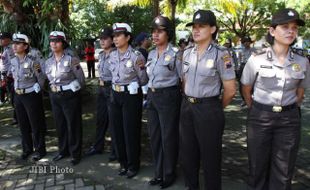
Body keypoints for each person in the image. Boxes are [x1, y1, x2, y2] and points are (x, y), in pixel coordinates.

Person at [241, 8, 310, 190]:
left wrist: (290, 109)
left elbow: (300, 91)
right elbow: (246, 88)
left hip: (289, 119)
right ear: (272, 31)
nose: (291, 31)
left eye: (294, 28)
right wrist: (256, 108)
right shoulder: (256, 59)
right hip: (260, 116)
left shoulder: (302, 61)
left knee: (284, 168)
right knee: (257, 166)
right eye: (285, 27)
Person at [180, 10, 236, 190]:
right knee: (188, 154)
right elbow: (185, 81)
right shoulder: (187, 53)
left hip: (209, 108)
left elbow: (230, 90)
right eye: (194, 27)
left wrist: (215, 108)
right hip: (188, 106)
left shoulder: (222, 54)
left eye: (201, 26)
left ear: (212, 29)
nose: (196, 30)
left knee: (211, 157)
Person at [146, 15, 182, 189]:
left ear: (168, 34)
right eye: (153, 31)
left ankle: (169, 173)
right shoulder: (151, 53)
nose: (155, 34)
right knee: (155, 137)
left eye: (159, 31)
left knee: (168, 137)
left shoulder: (176, 54)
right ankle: (158, 172)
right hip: (152, 97)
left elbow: (184, 79)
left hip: (169, 97)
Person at [109, 23, 148, 178]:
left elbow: (144, 79)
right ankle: (123, 163)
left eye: (119, 35)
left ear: (128, 37)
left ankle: (133, 165)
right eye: (114, 36)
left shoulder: (136, 56)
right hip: (115, 95)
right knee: (117, 131)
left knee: (130, 131)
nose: (115, 38)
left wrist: (135, 84)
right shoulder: (111, 55)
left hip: (131, 96)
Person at [45, 31, 85, 166]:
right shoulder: (48, 61)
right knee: (60, 125)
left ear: (63, 43)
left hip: (69, 96)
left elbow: (81, 79)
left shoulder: (71, 59)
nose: (53, 44)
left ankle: (76, 153)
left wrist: (74, 93)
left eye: (57, 41)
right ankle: (63, 151)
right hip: (54, 96)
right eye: (51, 41)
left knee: (73, 125)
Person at [9, 33, 47, 161]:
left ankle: (40, 150)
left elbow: (41, 76)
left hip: (31, 95)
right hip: (18, 95)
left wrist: (39, 88)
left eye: (18, 43)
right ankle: (27, 149)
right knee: (23, 124)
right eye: (14, 43)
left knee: (35, 124)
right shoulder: (13, 61)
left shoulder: (33, 61)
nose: (14, 46)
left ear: (25, 46)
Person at [84, 27, 116, 162]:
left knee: (114, 121)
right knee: (101, 119)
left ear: (112, 39)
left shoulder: (116, 54)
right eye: (101, 39)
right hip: (102, 89)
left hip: (112, 89)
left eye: (105, 38)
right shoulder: (102, 54)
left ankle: (116, 150)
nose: (102, 41)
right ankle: (98, 146)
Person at [0, 32, 17, 124]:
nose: (0, 40)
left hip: (11, 77)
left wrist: (8, 75)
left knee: (15, 99)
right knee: (13, 98)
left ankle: (17, 118)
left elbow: (12, 64)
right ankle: (17, 117)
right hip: (7, 77)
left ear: (8, 40)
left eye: (2, 38)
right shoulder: (6, 48)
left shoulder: (10, 49)